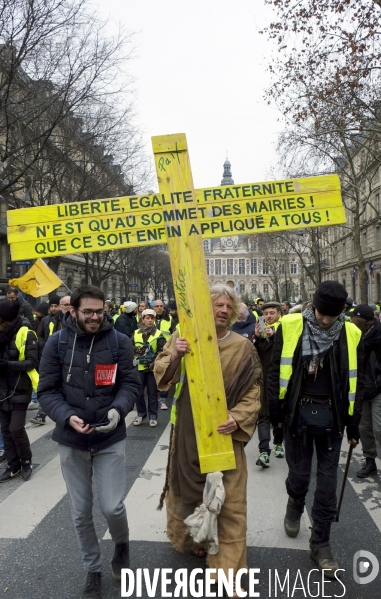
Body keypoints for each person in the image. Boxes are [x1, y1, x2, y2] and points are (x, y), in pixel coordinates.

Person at [154, 284, 262, 597]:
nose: (224, 310)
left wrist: (238, 417)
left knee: (230, 504)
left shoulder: (243, 347)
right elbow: (162, 372)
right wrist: (177, 353)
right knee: (188, 494)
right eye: (217, 304)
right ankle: (195, 541)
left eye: (229, 306)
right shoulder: (183, 334)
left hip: (226, 437)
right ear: (205, 307)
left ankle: (227, 574)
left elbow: (254, 390)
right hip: (188, 431)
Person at [37, 285, 140, 599]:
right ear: (74, 311)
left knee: (112, 506)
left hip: (109, 437)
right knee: (81, 512)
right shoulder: (57, 344)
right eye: (88, 312)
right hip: (72, 439)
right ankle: (93, 569)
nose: (95, 317)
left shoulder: (119, 341)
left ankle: (121, 546)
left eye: (99, 311)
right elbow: (46, 391)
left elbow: (130, 384)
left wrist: (118, 409)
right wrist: (67, 416)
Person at [268, 281, 363, 578]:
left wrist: (353, 423)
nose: (324, 320)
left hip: (333, 418)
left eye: (331, 316)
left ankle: (320, 544)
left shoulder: (352, 333)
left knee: (326, 485)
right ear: (313, 304)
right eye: (321, 313)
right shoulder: (291, 325)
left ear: (341, 313)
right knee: (298, 476)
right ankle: (294, 503)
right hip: (297, 414)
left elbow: (355, 381)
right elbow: (275, 372)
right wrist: (276, 416)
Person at [0, 300, 38, 483]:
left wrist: (7, 365)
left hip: (19, 386)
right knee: (5, 431)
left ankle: (26, 461)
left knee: (15, 429)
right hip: (2, 389)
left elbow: (32, 362)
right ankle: (13, 465)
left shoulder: (26, 332)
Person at [350, 305, 381, 478]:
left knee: (379, 428)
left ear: (366, 322)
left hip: (378, 388)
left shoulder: (378, 336)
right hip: (360, 389)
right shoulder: (353, 336)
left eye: (355, 319)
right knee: (364, 428)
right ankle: (370, 461)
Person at [253, 301, 284, 466]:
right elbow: (254, 354)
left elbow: (284, 350)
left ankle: (278, 443)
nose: (268, 316)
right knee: (262, 415)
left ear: (279, 313)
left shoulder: (283, 329)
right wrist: (257, 339)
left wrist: (273, 337)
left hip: (279, 379)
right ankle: (264, 451)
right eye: (265, 314)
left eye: (272, 313)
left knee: (278, 415)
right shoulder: (260, 329)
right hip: (263, 379)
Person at [132, 309, 166, 427]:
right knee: (139, 393)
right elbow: (129, 347)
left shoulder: (158, 334)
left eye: (152, 318)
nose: (150, 320)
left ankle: (153, 416)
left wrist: (155, 361)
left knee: (152, 393)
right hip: (139, 367)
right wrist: (135, 350)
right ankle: (141, 414)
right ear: (143, 319)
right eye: (147, 318)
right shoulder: (136, 333)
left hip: (152, 368)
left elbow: (162, 350)